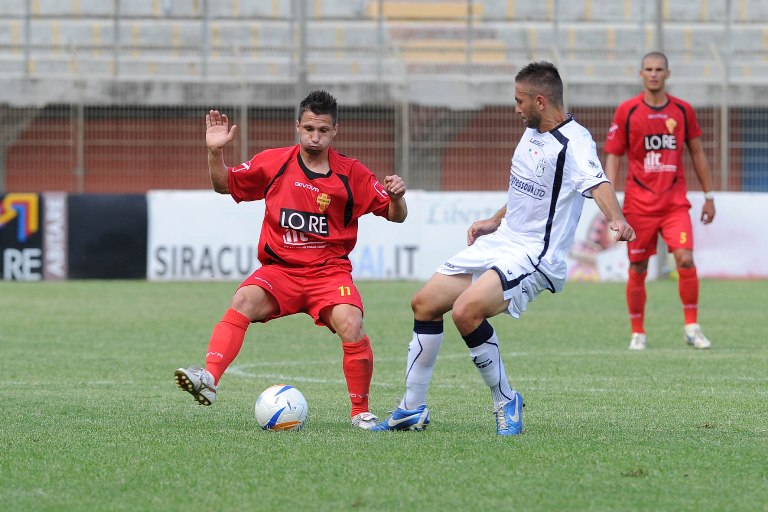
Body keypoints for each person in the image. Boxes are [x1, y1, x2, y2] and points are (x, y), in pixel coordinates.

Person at [371, 61, 635, 435]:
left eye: (519, 101)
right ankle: (412, 408)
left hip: (535, 254)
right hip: (503, 240)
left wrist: (616, 219)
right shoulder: (532, 132)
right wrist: (495, 219)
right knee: (425, 303)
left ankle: (506, 399)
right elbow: (529, 189)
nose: (516, 109)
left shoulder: (574, 142)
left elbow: (598, 182)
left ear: (540, 101)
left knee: (465, 312)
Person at [174, 90, 408, 429]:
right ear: (298, 126)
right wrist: (215, 151)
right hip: (280, 272)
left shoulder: (351, 174)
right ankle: (209, 378)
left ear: (334, 131)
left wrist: (398, 197)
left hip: (329, 274)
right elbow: (224, 184)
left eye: (323, 130)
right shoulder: (274, 162)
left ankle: (361, 412)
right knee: (243, 299)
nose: (315, 137)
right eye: (309, 128)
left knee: (352, 324)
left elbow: (395, 214)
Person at [604, 51, 716, 351]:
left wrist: (708, 196)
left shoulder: (682, 111)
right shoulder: (627, 112)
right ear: (641, 74)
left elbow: (697, 153)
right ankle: (638, 332)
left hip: (674, 204)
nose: (654, 74)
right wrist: (611, 201)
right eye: (648, 69)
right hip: (638, 206)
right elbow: (613, 155)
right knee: (638, 267)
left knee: (685, 259)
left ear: (667, 74)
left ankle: (692, 327)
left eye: (659, 69)